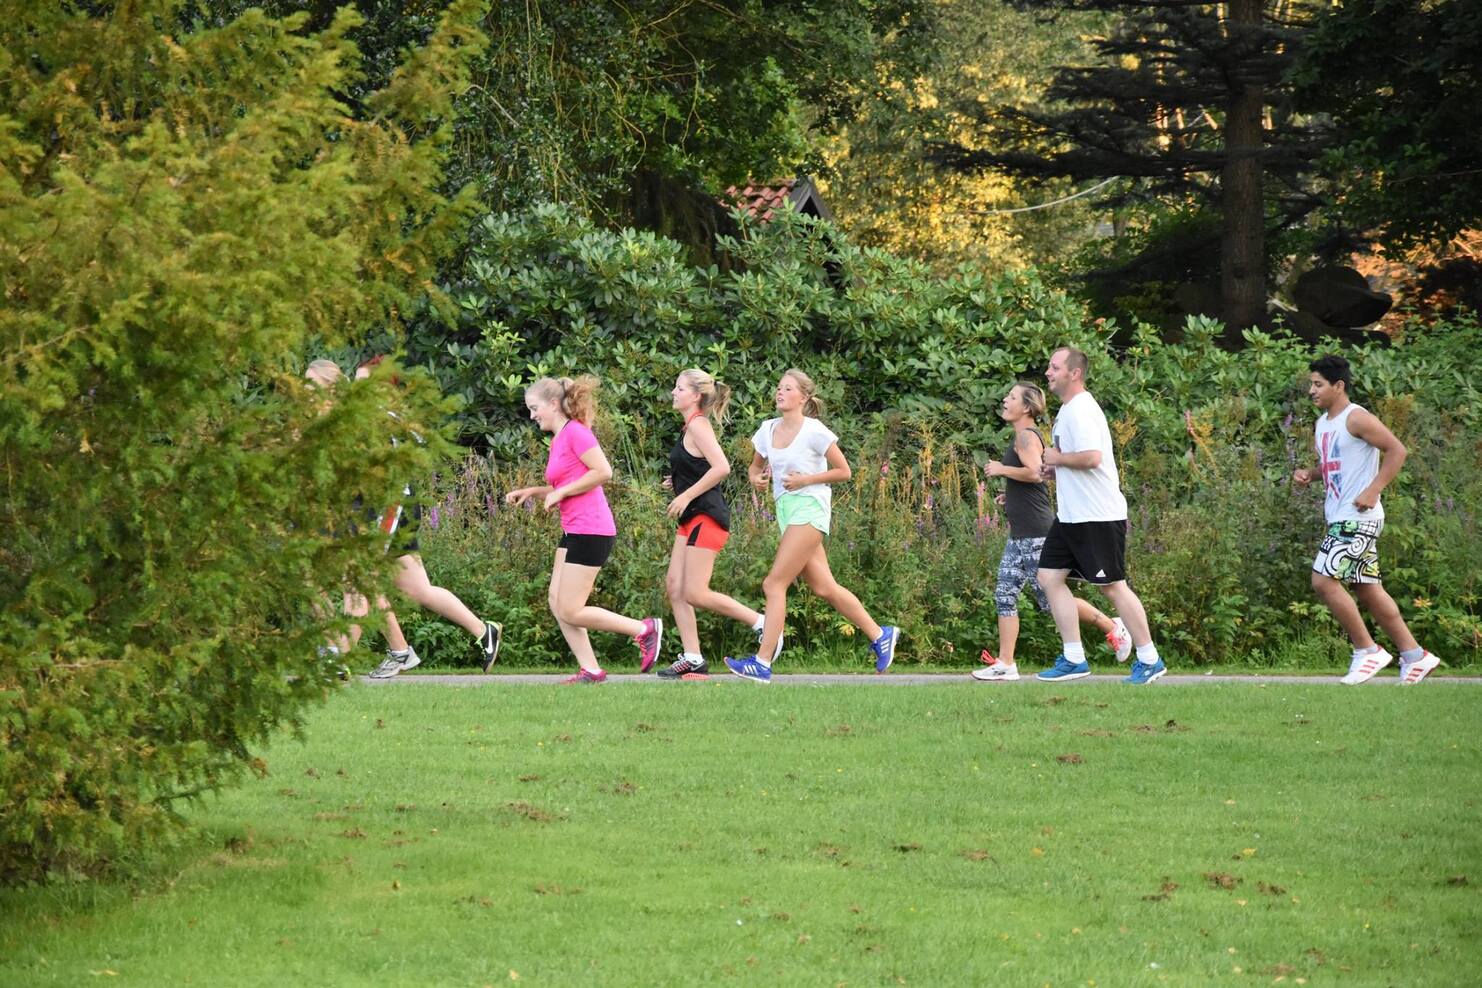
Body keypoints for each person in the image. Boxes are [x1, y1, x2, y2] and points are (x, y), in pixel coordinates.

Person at [724, 368, 899, 684]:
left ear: (803, 397)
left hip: (810, 509)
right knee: (823, 587)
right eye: (778, 387)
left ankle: (762, 663)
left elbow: (844, 471)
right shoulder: (767, 430)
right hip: (786, 512)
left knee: (773, 583)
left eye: (787, 388)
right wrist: (756, 479)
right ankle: (879, 633)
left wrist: (806, 479)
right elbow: (754, 468)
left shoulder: (815, 431)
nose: (780, 392)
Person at [350, 356, 502, 679]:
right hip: (388, 509)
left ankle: (341, 658)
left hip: (391, 509)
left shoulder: (382, 419)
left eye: (363, 383)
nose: (355, 389)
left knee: (363, 577)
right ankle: (481, 631)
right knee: (417, 589)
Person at [505, 376, 663, 684]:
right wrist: (534, 491)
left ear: (553, 404)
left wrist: (560, 494)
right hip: (574, 529)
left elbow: (603, 471)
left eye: (534, 408)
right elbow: (566, 483)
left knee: (571, 609)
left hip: (592, 530)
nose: (532, 415)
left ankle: (644, 629)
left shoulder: (576, 432)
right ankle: (590, 669)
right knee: (556, 602)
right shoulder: (560, 438)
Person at [1293, 354, 1439, 684]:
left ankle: (1367, 650)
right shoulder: (1323, 424)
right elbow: (1336, 467)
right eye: (1311, 385)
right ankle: (1415, 655)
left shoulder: (1355, 417)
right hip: (1341, 516)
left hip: (1358, 518)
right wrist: (1310, 475)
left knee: (1323, 581)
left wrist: (1374, 489)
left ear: (1338, 386)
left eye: (1318, 384)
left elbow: (1397, 450)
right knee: (1367, 587)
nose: (1312, 391)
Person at [973, 381, 1130, 682]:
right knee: (1005, 593)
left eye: (1012, 397)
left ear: (1027, 407)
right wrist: (1012, 495)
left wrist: (1001, 470)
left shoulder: (1025, 437)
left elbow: (1035, 474)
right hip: (1022, 531)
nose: (1005, 400)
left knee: (1049, 599)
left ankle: (1112, 626)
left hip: (1036, 532)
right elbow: (1036, 479)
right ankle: (1006, 663)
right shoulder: (1024, 436)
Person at [1035, 346, 1165, 685]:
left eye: (1054, 367)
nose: (1048, 372)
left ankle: (1149, 659)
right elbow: (1083, 460)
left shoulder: (1081, 410)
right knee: (1049, 578)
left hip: (1097, 515)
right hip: (1072, 517)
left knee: (1112, 587)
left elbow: (1092, 457)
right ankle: (1074, 658)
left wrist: (1058, 459)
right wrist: (1056, 470)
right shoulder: (1067, 411)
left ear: (1074, 373)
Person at [659, 369, 768, 679]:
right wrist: (677, 482)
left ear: (696, 396)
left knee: (694, 591)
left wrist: (686, 495)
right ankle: (693, 658)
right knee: (675, 587)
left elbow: (722, 467)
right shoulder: (689, 428)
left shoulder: (699, 426)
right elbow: (700, 466)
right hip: (691, 517)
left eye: (679, 388)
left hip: (706, 515)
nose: (674, 392)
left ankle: (764, 625)